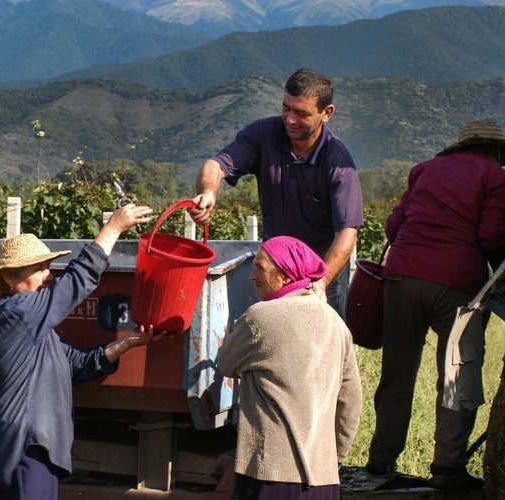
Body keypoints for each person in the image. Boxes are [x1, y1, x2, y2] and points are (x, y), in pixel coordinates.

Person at [0, 202, 165, 500]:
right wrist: (114, 227)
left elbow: (77, 364)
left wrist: (126, 343)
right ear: (10, 279)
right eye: (38, 269)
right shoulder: (16, 312)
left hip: (34, 448)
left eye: (47, 267)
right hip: (25, 446)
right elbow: (76, 282)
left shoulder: (34, 329)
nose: (48, 275)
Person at [366, 119, 505, 491]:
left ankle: (380, 461)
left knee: (397, 374)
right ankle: (447, 470)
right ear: (496, 152)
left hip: (402, 278)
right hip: (457, 286)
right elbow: (492, 234)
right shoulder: (494, 176)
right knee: (456, 376)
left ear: (460, 147)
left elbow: (394, 227)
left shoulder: (425, 170)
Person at [189, 68, 363, 317]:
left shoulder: (337, 161)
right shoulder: (263, 136)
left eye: (301, 113)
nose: (290, 119)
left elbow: (347, 231)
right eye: (286, 108)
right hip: (275, 267)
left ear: (327, 113)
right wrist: (208, 192)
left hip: (322, 268)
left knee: (322, 344)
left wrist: (321, 282)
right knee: (275, 338)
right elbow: (215, 165)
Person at [216, 235, 362, 500]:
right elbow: (351, 401)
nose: (251, 276)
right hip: (323, 481)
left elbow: (226, 364)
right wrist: (334, 459)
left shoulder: (259, 317)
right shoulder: (335, 323)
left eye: (259, 267)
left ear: (285, 275)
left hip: (269, 477)